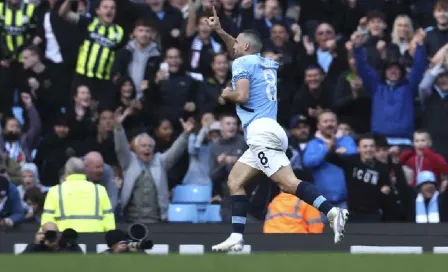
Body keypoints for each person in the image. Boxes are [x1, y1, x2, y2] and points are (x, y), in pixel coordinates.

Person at [206, 7, 348, 252]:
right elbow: (240, 48)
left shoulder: (241, 62)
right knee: (235, 181)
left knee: (289, 184)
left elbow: (242, 94)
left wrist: (228, 94)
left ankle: (332, 211)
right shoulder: (265, 62)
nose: (233, 47)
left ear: (245, 48)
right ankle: (236, 236)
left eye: (237, 43)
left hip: (260, 132)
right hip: (270, 130)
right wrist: (220, 31)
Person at [41, 157, 115, 232]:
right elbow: (109, 221)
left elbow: (47, 222)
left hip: (65, 239)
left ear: (66, 172)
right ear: (84, 171)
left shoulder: (55, 191)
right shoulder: (99, 190)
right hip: (96, 239)